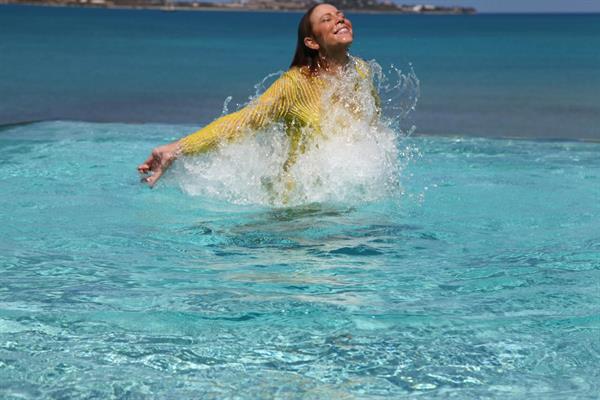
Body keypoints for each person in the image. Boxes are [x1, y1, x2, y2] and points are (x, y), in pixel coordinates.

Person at [138, 3, 379, 188]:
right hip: (299, 203)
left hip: (343, 195)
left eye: (340, 15)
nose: (340, 19)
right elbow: (244, 121)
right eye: (327, 19)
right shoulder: (294, 84)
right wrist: (177, 148)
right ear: (312, 42)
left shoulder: (361, 71)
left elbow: (372, 122)